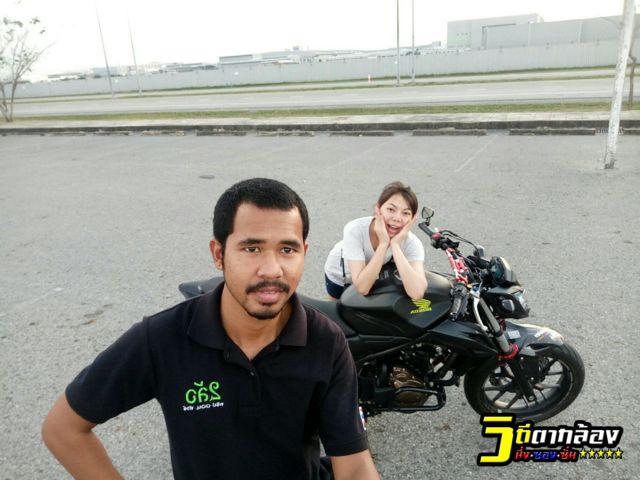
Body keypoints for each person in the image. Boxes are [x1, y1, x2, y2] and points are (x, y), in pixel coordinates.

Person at [42, 178, 379, 480]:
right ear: (219, 254)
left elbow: (353, 466)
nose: (272, 269)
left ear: (304, 253)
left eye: (287, 250)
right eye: (252, 248)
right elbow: (64, 429)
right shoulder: (163, 338)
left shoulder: (326, 341)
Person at [324, 181, 427, 300]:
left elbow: (417, 293)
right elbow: (363, 287)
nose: (397, 218)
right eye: (391, 209)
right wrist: (384, 244)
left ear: (412, 219)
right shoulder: (355, 229)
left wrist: (395, 245)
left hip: (373, 278)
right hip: (340, 275)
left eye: (406, 213)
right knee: (336, 309)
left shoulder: (412, 242)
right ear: (378, 209)